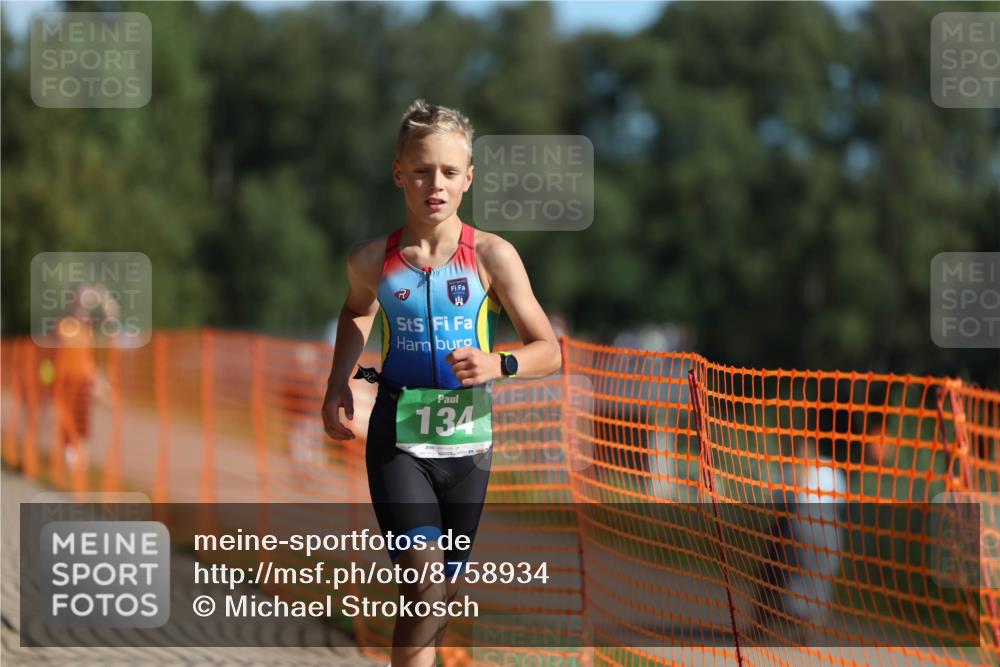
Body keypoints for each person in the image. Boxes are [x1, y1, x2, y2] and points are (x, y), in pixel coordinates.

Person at [321, 99, 562, 667]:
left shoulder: (492, 257)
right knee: (425, 586)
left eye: (450, 172)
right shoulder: (369, 260)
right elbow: (356, 312)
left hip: (469, 449)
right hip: (398, 442)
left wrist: (498, 363)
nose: (436, 184)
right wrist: (338, 384)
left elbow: (548, 350)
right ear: (398, 172)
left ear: (468, 178)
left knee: (441, 596)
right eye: (423, 169)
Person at [753, 436, 848, 646]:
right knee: (798, 582)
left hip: (805, 530)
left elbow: (779, 502)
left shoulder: (815, 471)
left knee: (783, 578)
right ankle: (785, 625)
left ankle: (785, 625)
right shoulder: (820, 471)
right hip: (818, 531)